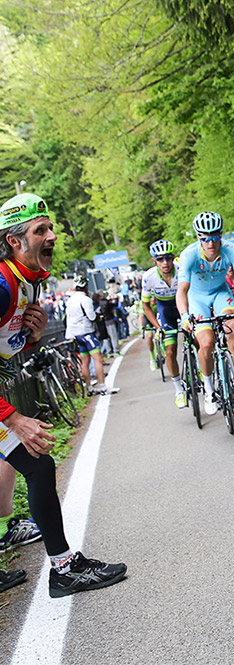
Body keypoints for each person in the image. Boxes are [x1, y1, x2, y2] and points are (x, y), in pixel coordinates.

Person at [0, 192, 126, 597]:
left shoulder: (29, 279)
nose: (52, 236)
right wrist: (13, 418)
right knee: (37, 463)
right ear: (15, 241)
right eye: (41, 230)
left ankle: (62, 566)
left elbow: (5, 346)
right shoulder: (2, 284)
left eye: (50, 227)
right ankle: (64, 568)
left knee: (33, 466)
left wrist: (32, 339)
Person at [176, 212, 234, 415]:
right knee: (206, 343)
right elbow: (182, 290)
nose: (211, 243)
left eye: (215, 237)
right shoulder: (189, 255)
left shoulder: (231, 249)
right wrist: (184, 315)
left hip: (221, 293)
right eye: (205, 238)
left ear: (221, 234)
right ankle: (210, 391)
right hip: (197, 298)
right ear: (198, 237)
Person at [141, 240, 186, 409]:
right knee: (170, 350)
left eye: (168, 258)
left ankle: (201, 368)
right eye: (160, 259)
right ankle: (179, 390)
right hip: (165, 311)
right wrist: (158, 328)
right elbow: (146, 306)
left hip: (183, 305)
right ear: (154, 261)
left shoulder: (182, 270)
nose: (165, 262)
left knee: (199, 340)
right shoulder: (148, 277)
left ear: (173, 258)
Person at [65, 276, 117, 396]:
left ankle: (89, 388)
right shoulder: (85, 299)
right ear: (85, 286)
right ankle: (103, 387)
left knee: (85, 362)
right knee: (97, 358)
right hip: (86, 332)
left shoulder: (70, 300)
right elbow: (92, 317)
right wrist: (98, 317)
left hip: (75, 334)